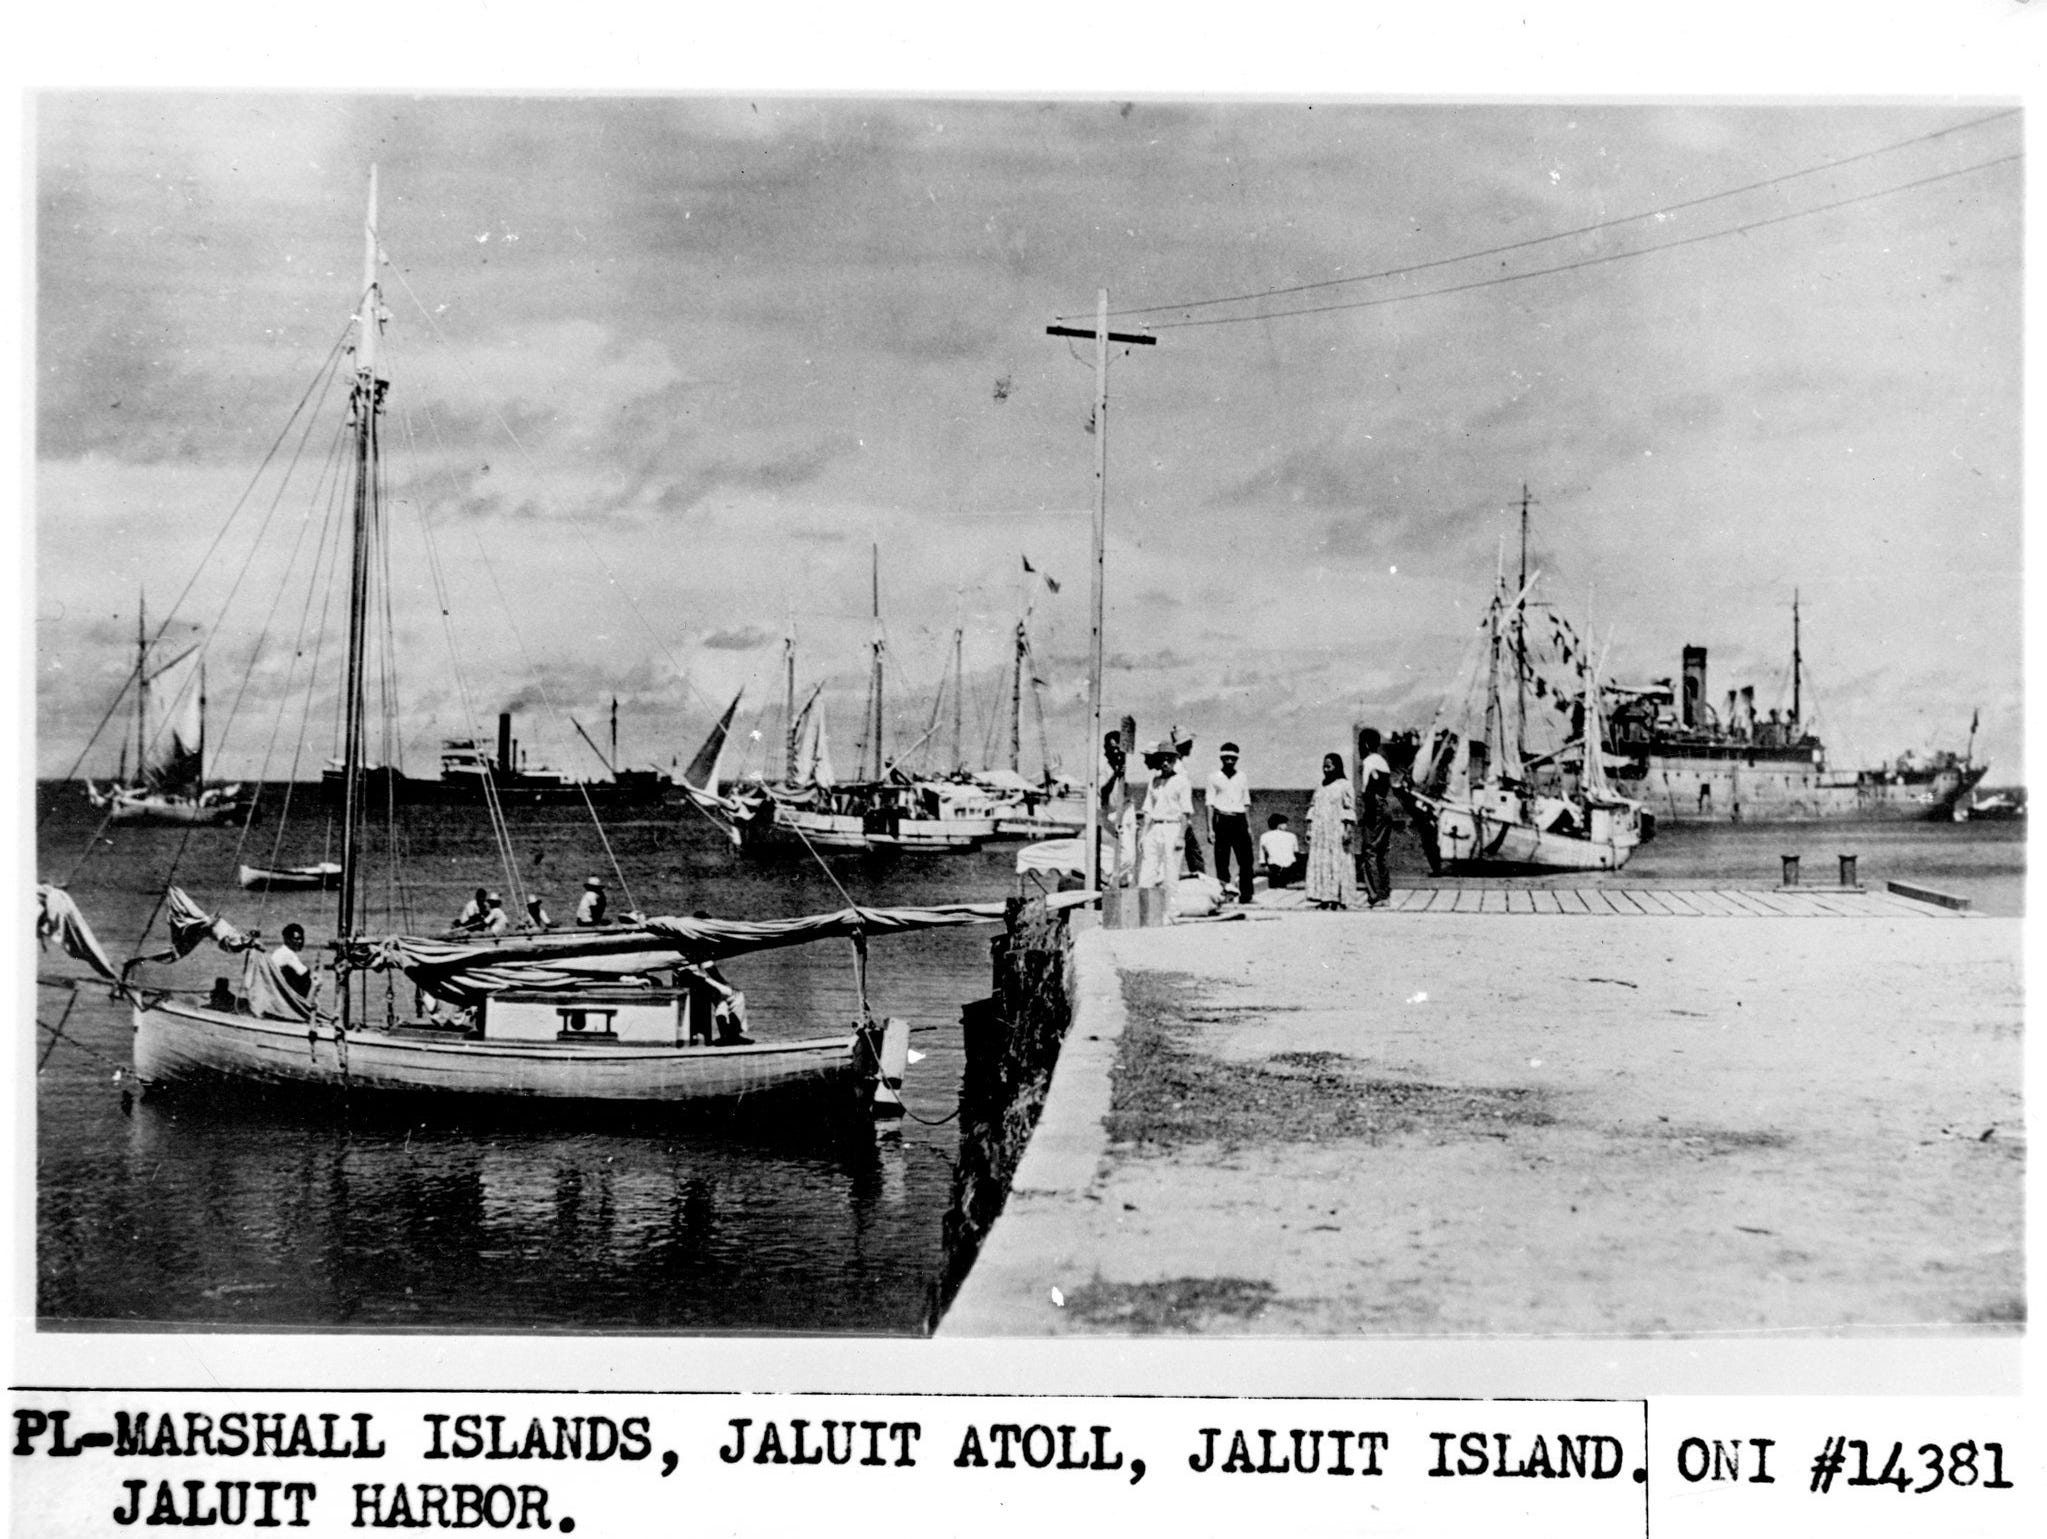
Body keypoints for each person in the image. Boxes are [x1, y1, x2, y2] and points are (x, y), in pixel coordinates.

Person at [1136, 738, 1193, 926]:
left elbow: (1186, 812)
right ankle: (1144, 913)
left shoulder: (1182, 781)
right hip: (1154, 828)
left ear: (1175, 760)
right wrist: (1143, 835)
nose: (1166, 763)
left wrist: (1180, 837)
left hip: (1173, 827)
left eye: (1170, 759)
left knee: (1170, 874)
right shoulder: (1154, 781)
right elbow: (1147, 809)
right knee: (1147, 872)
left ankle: (1170, 913)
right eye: (1162, 759)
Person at [1306, 752, 1358, 909]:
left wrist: (1348, 830)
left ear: (1337, 766)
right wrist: (1309, 829)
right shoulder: (1320, 785)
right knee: (1322, 862)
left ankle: (1338, 897)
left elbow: (1349, 809)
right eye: (1324, 766)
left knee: (1338, 861)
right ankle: (1324, 897)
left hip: (1337, 831)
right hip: (1320, 832)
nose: (1326, 769)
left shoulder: (1345, 785)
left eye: (1329, 766)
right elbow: (1313, 807)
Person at [1206, 741, 1255, 905]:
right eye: (1226, 758)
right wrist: (1210, 829)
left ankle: (1246, 895)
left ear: (1237, 759)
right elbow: (1209, 804)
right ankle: (1225, 895)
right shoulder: (1213, 777)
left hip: (1239, 819)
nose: (1229, 761)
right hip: (1222, 819)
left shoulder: (1242, 776)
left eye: (1232, 758)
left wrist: (1248, 826)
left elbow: (1246, 802)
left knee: (1246, 859)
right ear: (1222, 758)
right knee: (1222, 860)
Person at [1356, 727, 1393, 908]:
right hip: (1386, 808)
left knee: (1369, 851)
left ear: (1365, 744)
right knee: (1382, 853)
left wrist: (1363, 814)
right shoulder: (1383, 762)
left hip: (1374, 808)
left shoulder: (1368, 762)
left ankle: (1375, 895)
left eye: (1359, 744)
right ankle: (1385, 893)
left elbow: (1365, 790)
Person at [1171, 727, 1205, 876]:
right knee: (1194, 854)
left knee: (1193, 854)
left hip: (1180, 818)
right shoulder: (1177, 766)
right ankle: (1202, 884)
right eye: (1189, 743)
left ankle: (1200, 882)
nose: (1191, 746)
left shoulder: (1178, 764)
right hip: (1179, 818)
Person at [1259, 813, 1303, 888]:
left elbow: (1262, 859)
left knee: (1268, 854)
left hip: (1274, 868)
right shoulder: (1292, 836)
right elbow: (1296, 853)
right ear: (1279, 825)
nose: (1286, 826)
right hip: (1290, 868)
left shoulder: (1264, 836)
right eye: (1285, 824)